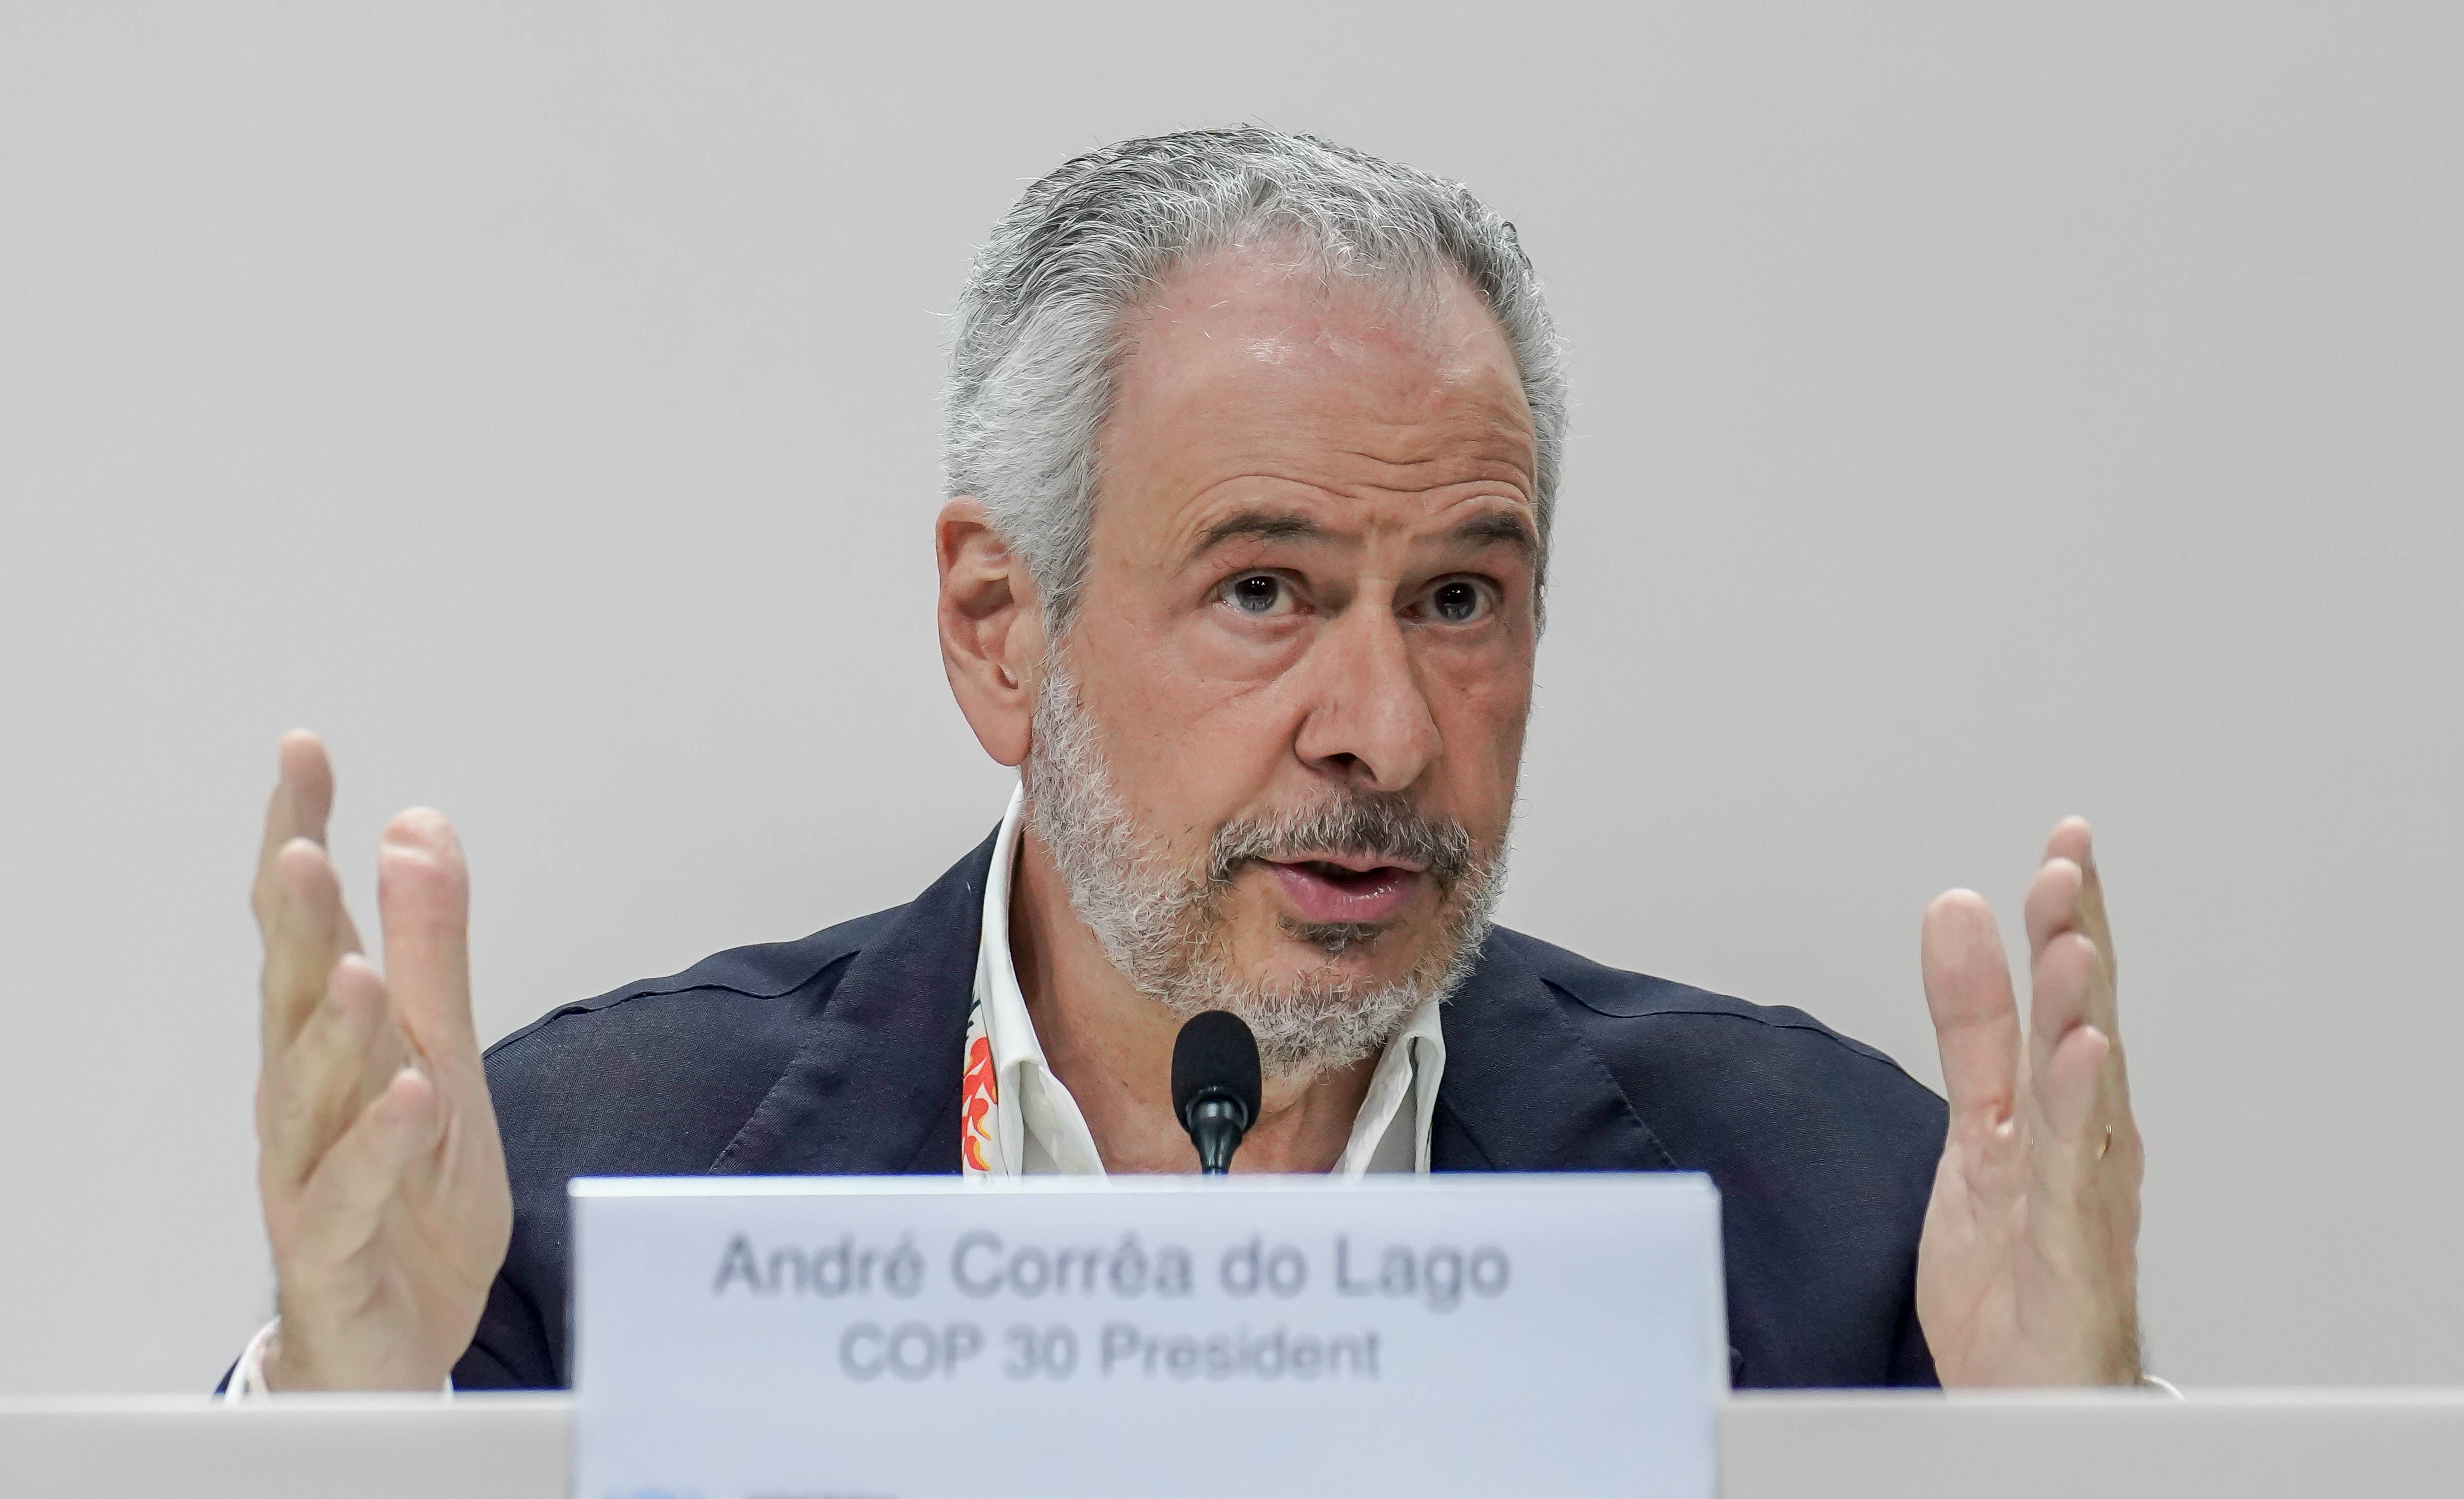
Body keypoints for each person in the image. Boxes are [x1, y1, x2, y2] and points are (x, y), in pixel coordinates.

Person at [231, 129, 2143, 1395]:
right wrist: (346, 1447)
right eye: (1262, 587)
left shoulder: (1832, 1221)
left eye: (1462, 595)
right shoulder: (582, 1202)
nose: (1382, 727)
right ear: (1001, 623)